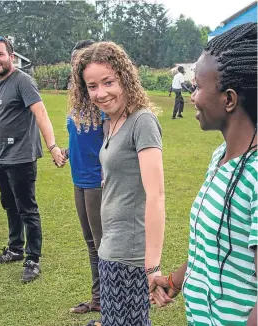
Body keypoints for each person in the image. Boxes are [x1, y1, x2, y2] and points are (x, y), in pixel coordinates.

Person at [150, 23, 258, 326]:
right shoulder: (219, 158)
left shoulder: (256, 176)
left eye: (197, 86)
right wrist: (175, 281)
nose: (192, 96)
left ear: (229, 99)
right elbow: (210, 249)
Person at [69, 41, 165, 326]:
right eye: (92, 86)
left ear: (125, 77)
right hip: (110, 248)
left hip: (131, 255)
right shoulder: (112, 122)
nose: (100, 93)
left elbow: (156, 195)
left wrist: (153, 263)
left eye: (108, 82)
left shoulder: (141, 122)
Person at [0, 36, 66, 283]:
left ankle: (32, 259)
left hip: (21, 157)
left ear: (11, 55)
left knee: (27, 209)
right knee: (9, 205)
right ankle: (15, 248)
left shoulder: (23, 81)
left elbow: (40, 112)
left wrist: (52, 146)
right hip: (1, 157)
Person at [63, 39, 107, 315]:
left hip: (97, 181)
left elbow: (112, 140)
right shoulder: (77, 100)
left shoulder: (102, 99)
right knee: (91, 242)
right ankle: (99, 299)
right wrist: (67, 150)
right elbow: (82, 137)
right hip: (78, 179)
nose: (78, 67)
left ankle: (108, 304)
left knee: (102, 245)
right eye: (75, 62)